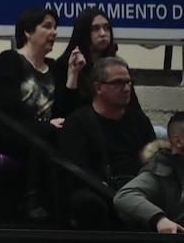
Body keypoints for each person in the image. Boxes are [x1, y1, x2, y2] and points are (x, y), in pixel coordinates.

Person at [0, 8, 70, 219]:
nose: (54, 33)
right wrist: (46, 126)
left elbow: (63, 110)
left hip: (47, 133)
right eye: (47, 26)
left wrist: (74, 75)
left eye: (55, 28)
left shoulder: (53, 69)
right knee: (48, 135)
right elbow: (5, 108)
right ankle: (31, 198)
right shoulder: (9, 60)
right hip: (12, 130)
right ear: (28, 32)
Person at [59, 57, 154, 228]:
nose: (126, 88)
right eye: (118, 83)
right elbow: (77, 171)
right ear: (98, 88)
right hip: (99, 191)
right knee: (86, 202)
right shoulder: (78, 122)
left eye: (128, 82)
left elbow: (153, 162)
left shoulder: (139, 120)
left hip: (136, 189)